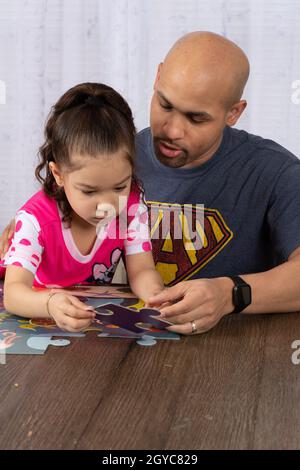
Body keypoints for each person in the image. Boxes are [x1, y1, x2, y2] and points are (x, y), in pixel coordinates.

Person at [2, 32, 300, 335]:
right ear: (157, 78)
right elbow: (57, 206)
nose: (172, 130)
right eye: (165, 105)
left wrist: (231, 293)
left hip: (234, 349)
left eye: (196, 119)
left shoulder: (276, 171)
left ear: (234, 112)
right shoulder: (115, 153)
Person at [0, 82, 164, 332]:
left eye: (119, 186)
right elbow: (13, 294)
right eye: (89, 191)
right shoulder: (35, 220)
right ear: (59, 174)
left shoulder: (131, 207)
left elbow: (141, 270)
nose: (107, 204)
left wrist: (158, 296)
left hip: (86, 322)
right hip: (33, 311)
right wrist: (51, 303)